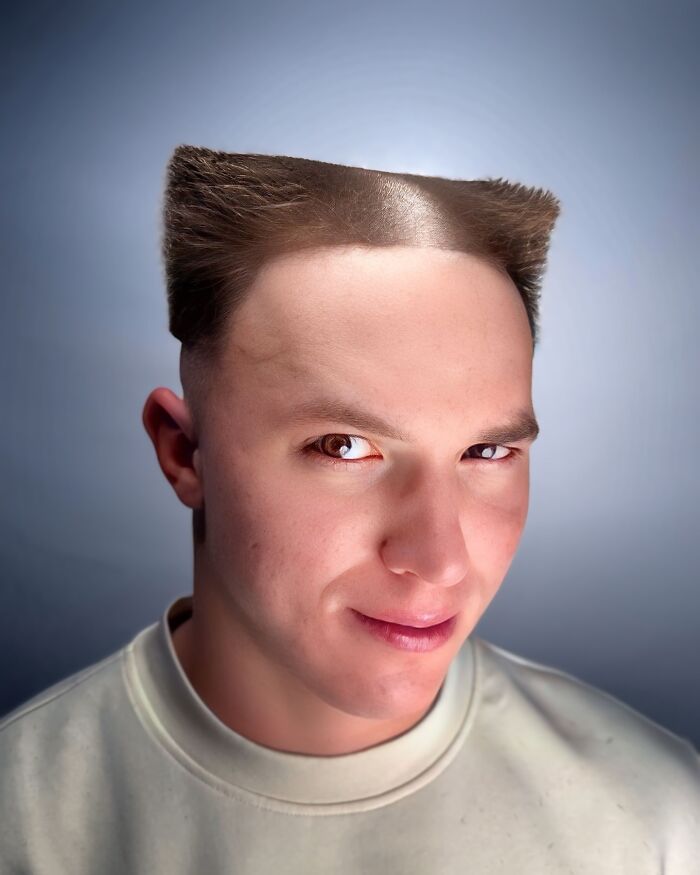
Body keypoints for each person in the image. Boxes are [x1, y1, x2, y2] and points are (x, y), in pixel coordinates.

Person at [1, 145, 698, 874]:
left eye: (486, 452)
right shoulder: (22, 823)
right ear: (183, 451)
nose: (440, 558)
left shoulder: (657, 819)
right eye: (344, 445)